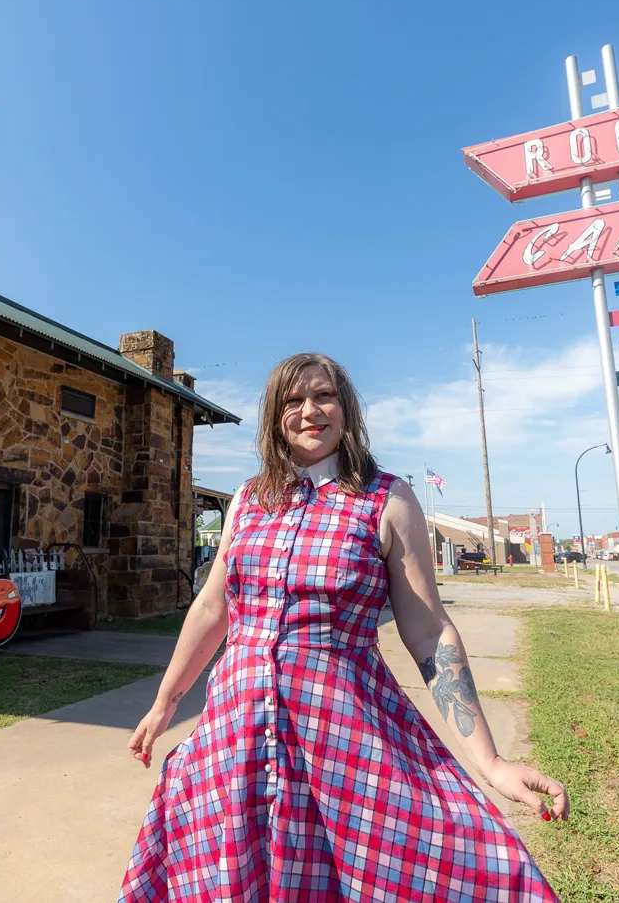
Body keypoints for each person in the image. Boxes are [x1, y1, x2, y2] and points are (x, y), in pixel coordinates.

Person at [118, 353, 566, 902]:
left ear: (346, 408)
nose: (310, 410)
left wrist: (491, 762)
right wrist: (166, 702)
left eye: (324, 396)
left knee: (431, 865)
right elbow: (214, 609)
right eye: (293, 400)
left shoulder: (388, 500)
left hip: (347, 743)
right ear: (274, 416)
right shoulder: (249, 500)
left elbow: (429, 632)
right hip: (234, 739)